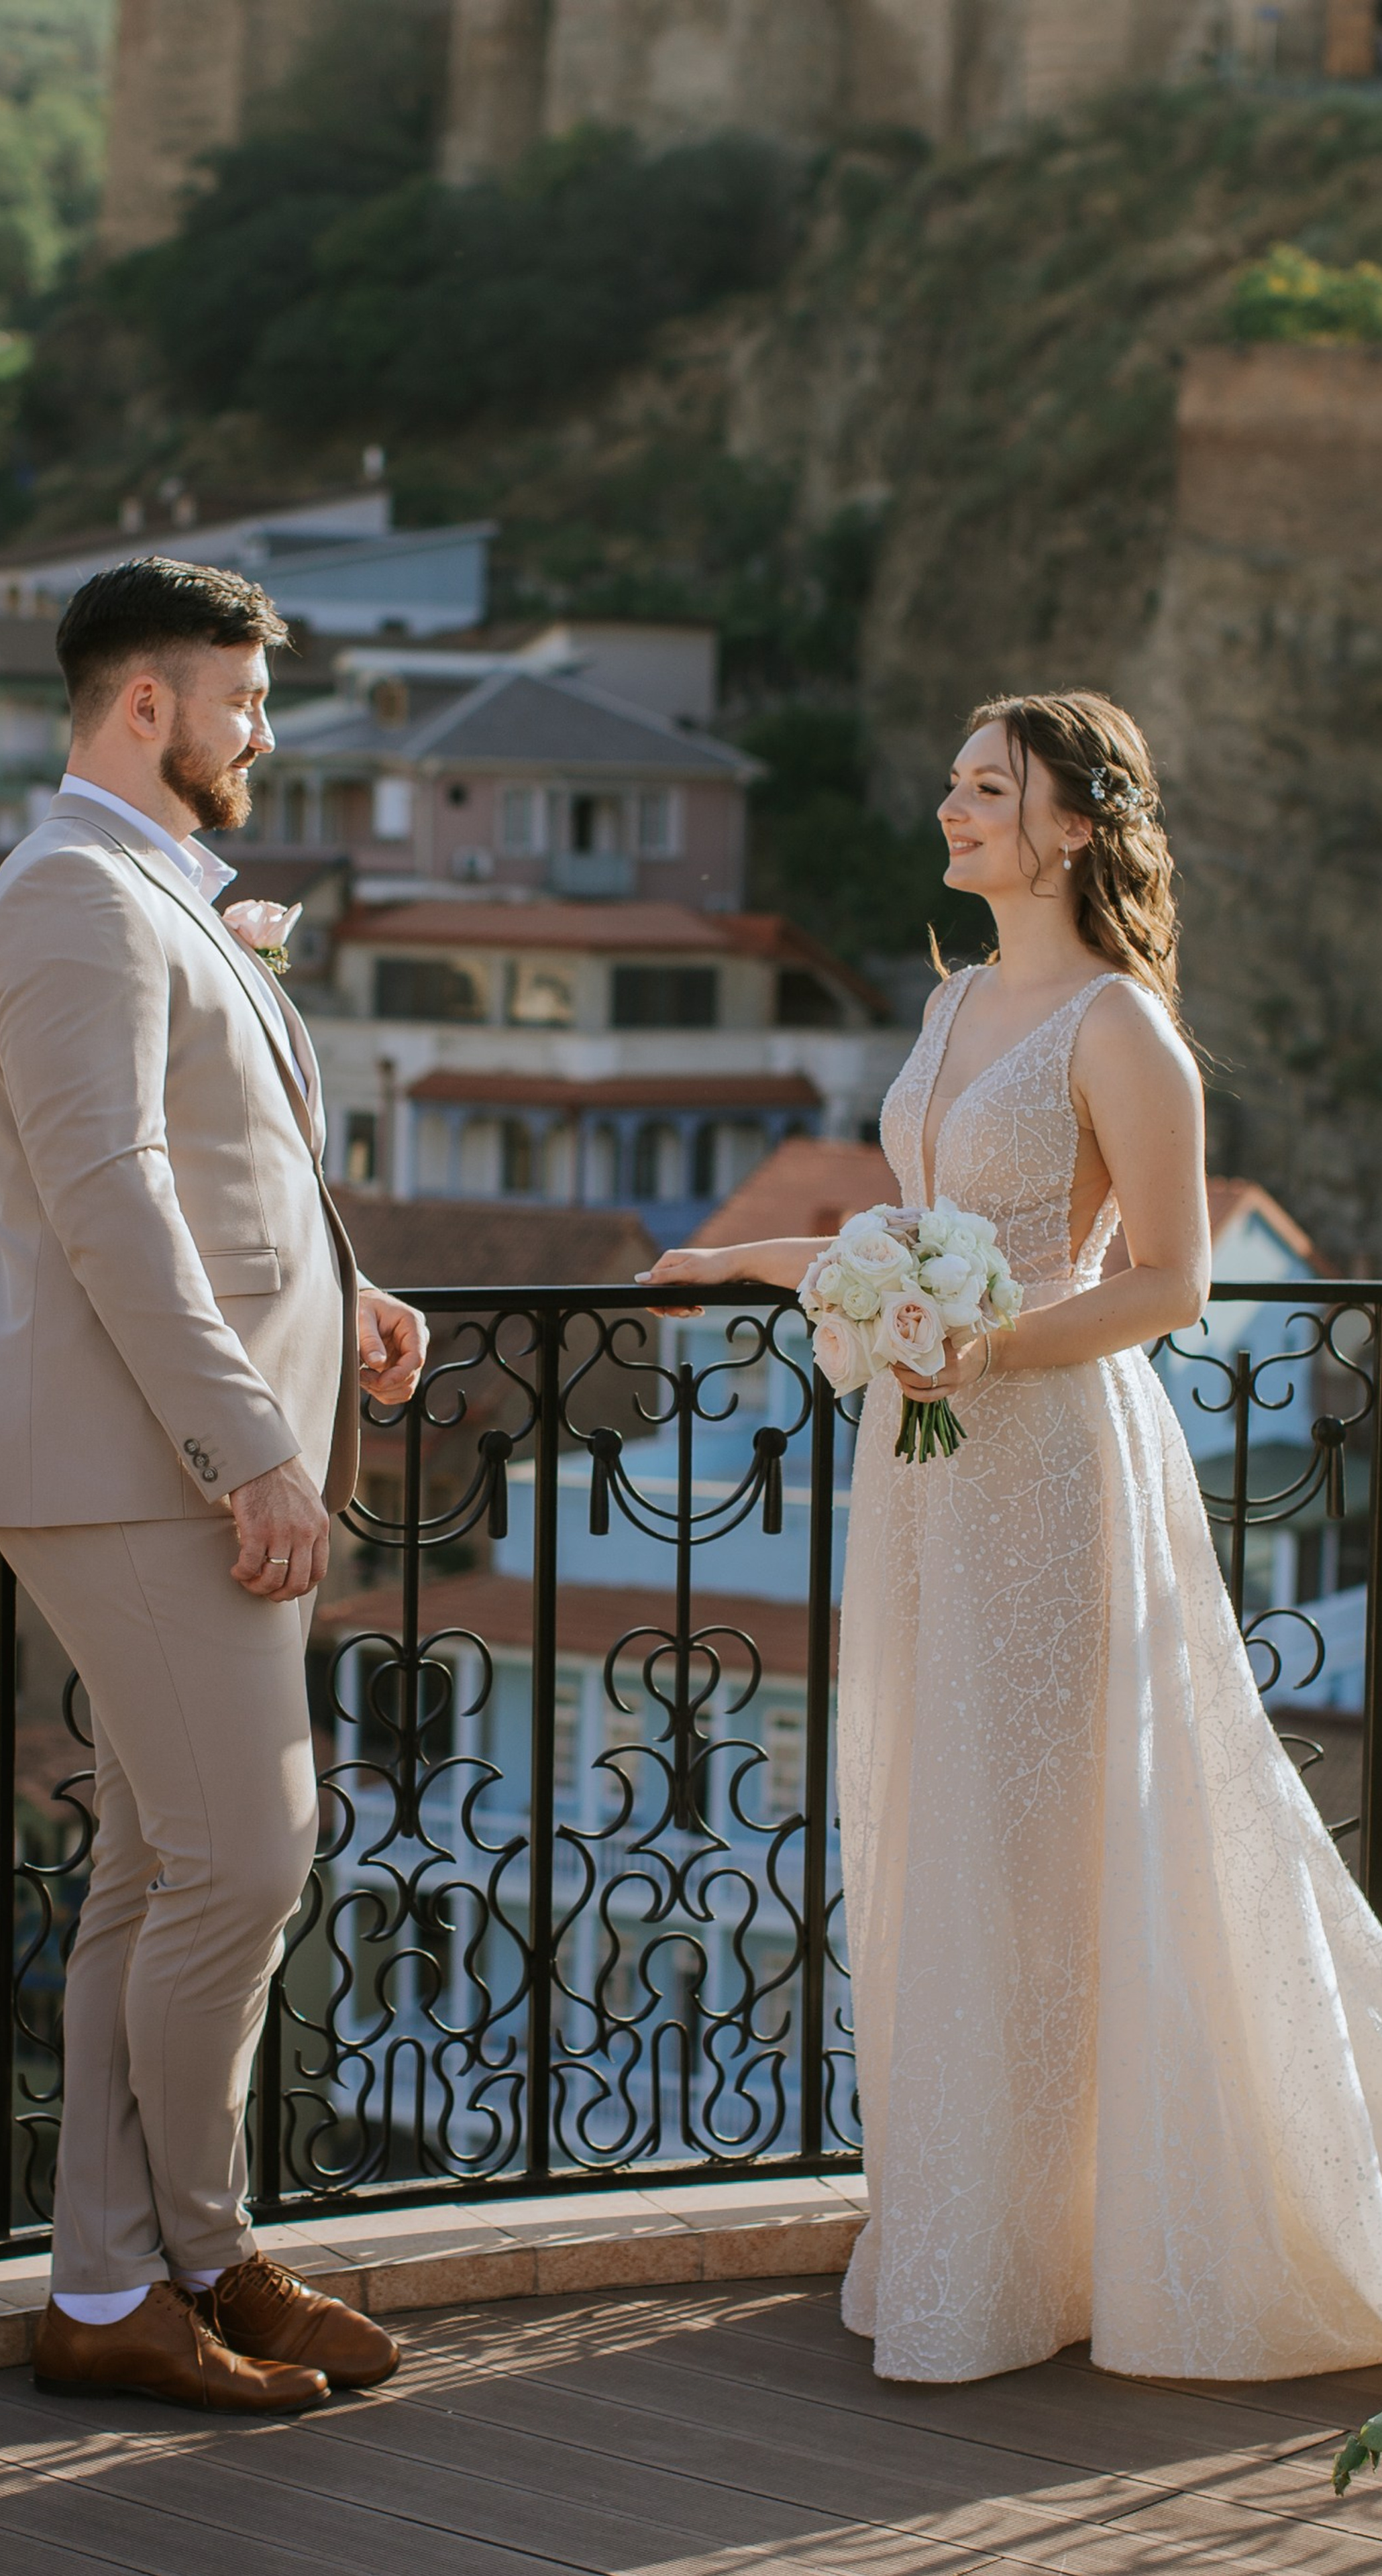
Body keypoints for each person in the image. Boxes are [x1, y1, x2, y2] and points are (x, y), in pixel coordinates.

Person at [641, 690, 1382, 2385]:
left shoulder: (1120, 1028)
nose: (951, 808)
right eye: (954, 782)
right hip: (925, 1469)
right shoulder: (952, 996)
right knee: (949, 1823)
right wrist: (751, 1264)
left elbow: (1169, 1284)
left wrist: (983, 1349)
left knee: (1053, 1840)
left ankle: (1092, 2245)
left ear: (1071, 827)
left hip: (1048, 1456)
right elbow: (913, 1231)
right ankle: (989, 2240)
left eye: (988, 787)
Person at [0, 557, 428, 2412]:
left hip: (169, 1455)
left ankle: (110, 2290)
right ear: (145, 705)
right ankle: (205, 2254)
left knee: (156, 1880)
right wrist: (251, 1448)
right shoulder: (72, 894)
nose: (263, 733)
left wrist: (344, 1292)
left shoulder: (148, 886)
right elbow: (110, 1202)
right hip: (146, 1467)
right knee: (249, 1860)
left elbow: (218, 1168)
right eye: (242, 699)